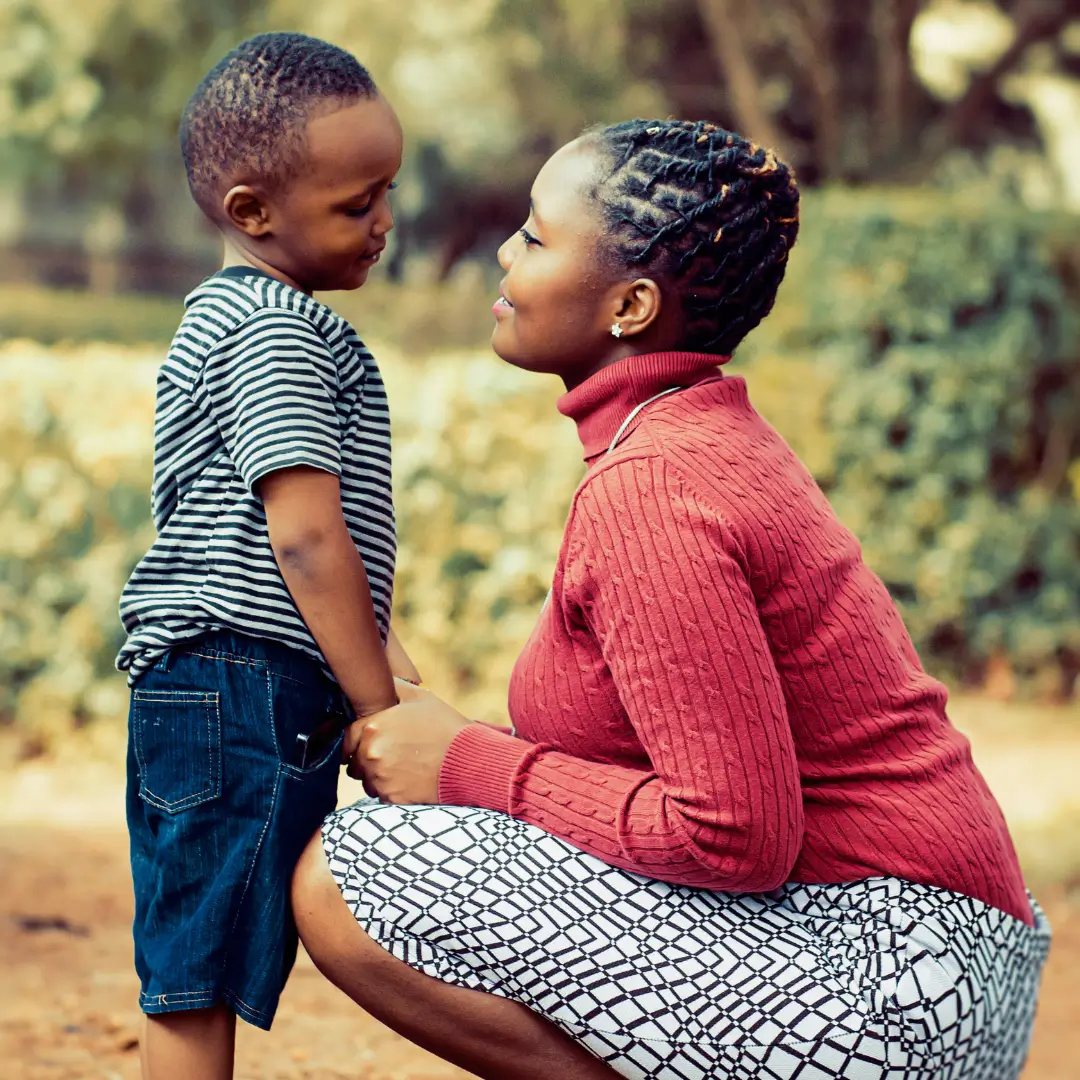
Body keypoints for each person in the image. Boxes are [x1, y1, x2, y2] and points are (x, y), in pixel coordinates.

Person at [292, 120, 1051, 1080]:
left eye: (534, 236)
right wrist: (463, 750)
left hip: (895, 978)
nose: (503, 253)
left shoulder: (654, 486)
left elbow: (735, 835)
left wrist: (472, 764)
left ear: (633, 303)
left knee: (354, 875)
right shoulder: (694, 439)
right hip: (934, 959)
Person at [116, 32, 421, 1080]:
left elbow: (294, 542)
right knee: (195, 962)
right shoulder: (275, 331)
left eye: (388, 188)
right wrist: (376, 699)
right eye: (355, 203)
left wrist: (384, 648)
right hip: (233, 683)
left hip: (233, 681)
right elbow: (302, 533)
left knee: (206, 944)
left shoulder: (247, 319)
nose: (385, 220)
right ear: (253, 213)